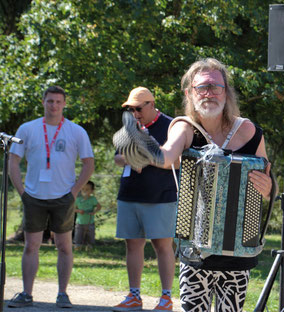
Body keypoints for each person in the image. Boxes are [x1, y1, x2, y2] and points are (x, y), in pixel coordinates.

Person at [149, 58, 274, 312]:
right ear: (189, 93)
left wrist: (267, 187)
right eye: (201, 88)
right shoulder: (185, 128)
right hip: (196, 250)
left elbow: (269, 179)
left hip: (238, 250)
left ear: (226, 92)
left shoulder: (248, 131)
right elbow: (166, 156)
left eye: (215, 87)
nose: (209, 93)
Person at [7, 85, 95, 308]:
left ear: (64, 104)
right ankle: (27, 293)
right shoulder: (27, 129)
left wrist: (74, 191)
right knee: (30, 246)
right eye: (50, 101)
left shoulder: (76, 131)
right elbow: (13, 162)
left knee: (64, 246)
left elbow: (89, 163)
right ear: (43, 102)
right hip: (34, 196)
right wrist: (22, 192)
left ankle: (62, 294)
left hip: (63, 197)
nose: (54, 105)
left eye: (58, 102)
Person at [113, 87, 176, 311]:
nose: (135, 113)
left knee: (162, 246)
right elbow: (118, 158)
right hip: (130, 193)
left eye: (138, 108)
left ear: (151, 104)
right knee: (132, 244)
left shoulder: (171, 126)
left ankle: (166, 298)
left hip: (161, 196)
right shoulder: (130, 126)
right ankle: (134, 296)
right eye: (131, 109)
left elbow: (176, 161)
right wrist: (132, 157)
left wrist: (146, 156)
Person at [74, 180, 101, 250]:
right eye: (83, 189)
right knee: (78, 234)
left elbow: (99, 206)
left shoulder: (93, 199)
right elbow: (72, 209)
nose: (84, 191)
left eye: (87, 189)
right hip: (79, 222)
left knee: (90, 235)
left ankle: (89, 246)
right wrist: (79, 211)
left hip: (90, 222)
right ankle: (78, 245)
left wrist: (94, 212)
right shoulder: (78, 199)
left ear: (92, 191)